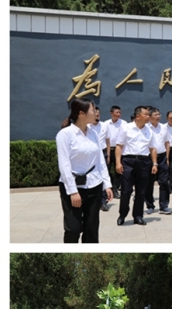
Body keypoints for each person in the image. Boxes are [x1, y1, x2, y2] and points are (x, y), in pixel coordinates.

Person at [56, 98, 113, 243]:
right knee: (73, 228)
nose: (96, 112)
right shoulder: (65, 134)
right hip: (73, 186)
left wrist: (107, 184)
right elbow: (64, 165)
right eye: (93, 110)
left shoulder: (93, 133)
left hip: (94, 185)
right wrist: (73, 191)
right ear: (81, 113)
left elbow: (100, 160)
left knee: (91, 228)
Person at [115, 106, 157, 226]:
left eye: (149, 115)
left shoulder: (149, 130)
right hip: (128, 161)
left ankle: (138, 216)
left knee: (141, 191)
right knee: (126, 190)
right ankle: (122, 215)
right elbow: (119, 146)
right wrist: (118, 162)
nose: (148, 117)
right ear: (138, 116)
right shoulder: (126, 128)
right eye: (146, 114)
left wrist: (154, 163)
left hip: (144, 162)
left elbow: (152, 148)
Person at [144, 107, 172, 215]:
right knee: (148, 183)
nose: (158, 116)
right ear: (150, 116)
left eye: (159, 114)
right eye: (155, 115)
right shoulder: (145, 127)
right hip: (148, 157)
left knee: (164, 182)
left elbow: (167, 143)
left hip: (162, 157)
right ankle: (150, 205)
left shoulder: (164, 127)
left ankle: (164, 206)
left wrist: (167, 158)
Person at [88, 106, 110, 212]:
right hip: (91, 154)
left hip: (103, 152)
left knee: (104, 176)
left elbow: (108, 140)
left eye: (98, 114)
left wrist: (108, 154)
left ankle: (103, 201)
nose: (97, 116)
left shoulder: (104, 125)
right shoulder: (87, 126)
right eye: (95, 114)